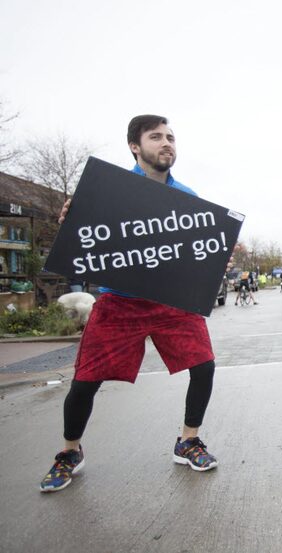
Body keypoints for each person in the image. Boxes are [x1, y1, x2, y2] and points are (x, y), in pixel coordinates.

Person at [40, 115, 221, 492]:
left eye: (171, 137)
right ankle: (70, 452)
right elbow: (87, 239)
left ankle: (188, 440)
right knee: (85, 380)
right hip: (119, 302)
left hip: (170, 300)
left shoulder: (187, 196)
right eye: (156, 137)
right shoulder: (107, 192)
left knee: (203, 366)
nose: (167, 143)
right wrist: (71, 222)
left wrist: (216, 252)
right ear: (135, 147)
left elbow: (193, 253)